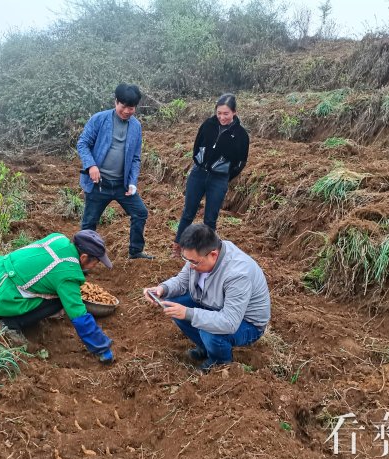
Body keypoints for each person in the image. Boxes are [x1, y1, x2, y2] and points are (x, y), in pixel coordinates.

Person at [144, 223, 271, 371]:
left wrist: (189, 313)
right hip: (214, 305)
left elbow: (229, 322)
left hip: (246, 323)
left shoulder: (238, 274)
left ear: (213, 255)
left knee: (209, 330)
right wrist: (162, 289)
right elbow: (181, 281)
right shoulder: (198, 257)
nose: (189, 265)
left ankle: (220, 362)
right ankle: (206, 347)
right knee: (171, 303)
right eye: (186, 260)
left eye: (193, 262)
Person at [0, 230, 115, 364]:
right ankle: (10, 324)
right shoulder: (68, 275)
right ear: (83, 257)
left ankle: (25, 314)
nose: (94, 267)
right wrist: (102, 347)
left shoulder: (58, 239)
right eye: (95, 263)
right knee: (60, 300)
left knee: (55, 292)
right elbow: (79, 315)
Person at [77, 83, 154, 260]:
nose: (127, 111)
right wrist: (91, 166)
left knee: (140, 212)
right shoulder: (99, 119)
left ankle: (135, 251)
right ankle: (83, 259)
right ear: (116, 102)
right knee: (89, 223)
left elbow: (135, 158)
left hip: (122, 185)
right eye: (124, 106)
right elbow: (83, 143)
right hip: (99, 184)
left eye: (132, 107)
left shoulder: (136, 126)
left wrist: (133, 182)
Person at [172, 94, 249, 257]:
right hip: (199, 174)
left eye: (226, 113)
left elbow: (241, 162)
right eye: (219, 113)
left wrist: (225, 175)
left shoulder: (241, 135)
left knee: (210, 219)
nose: (222, 117)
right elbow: (197, 146)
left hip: (219, 179)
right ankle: (178, 247)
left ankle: (206, 252)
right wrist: (200, 162)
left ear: (234, 112)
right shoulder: (208, 125)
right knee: (188, 212)